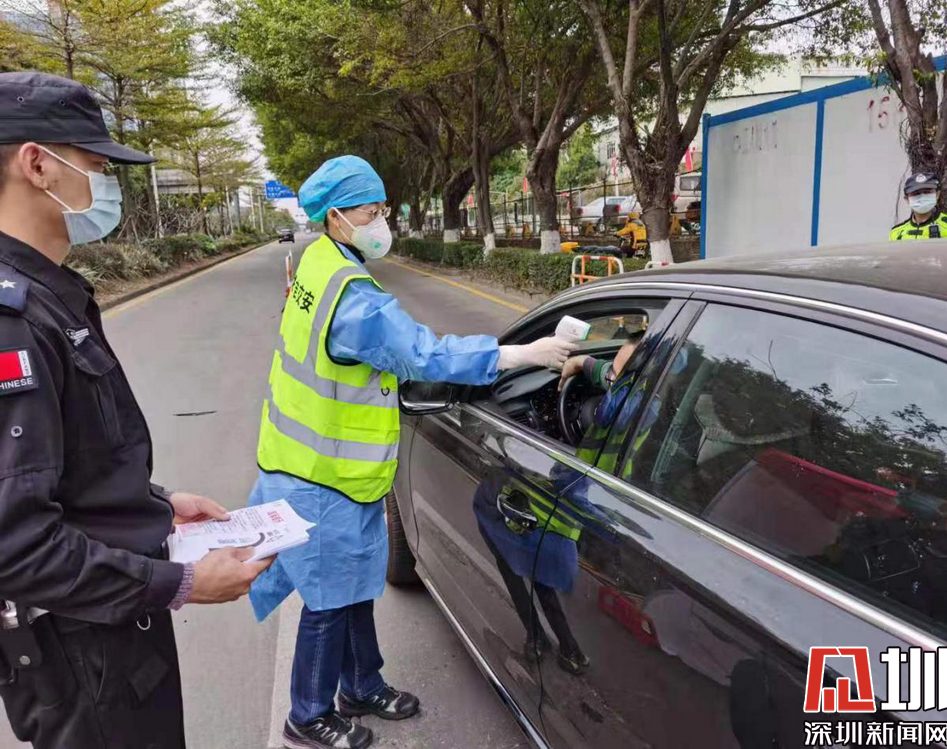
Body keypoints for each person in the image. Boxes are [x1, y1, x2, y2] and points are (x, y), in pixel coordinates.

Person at [247, 155, 572, 749]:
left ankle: (361, 687)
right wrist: (519, 355)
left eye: (382, 210)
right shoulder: (352, 297)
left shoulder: (320, 261)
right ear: (336, 216)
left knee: (354, 587)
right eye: (371, 212)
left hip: (324, 466)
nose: (381, 222)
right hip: (322, 473)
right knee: (329, 600)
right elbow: (423, 355)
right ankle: (307, 715)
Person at [0, 72, 273, 749]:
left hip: (112, 635)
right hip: (80, 652)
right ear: (37, 164)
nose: (106, 185)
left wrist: (158, 503)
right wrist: (180, 581)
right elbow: (16, 543)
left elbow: (70, 463)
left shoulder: (50, 295)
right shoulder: (13, 321)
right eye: (94, 165)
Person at [889, 172, 947, 240]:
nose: (922, 197)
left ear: (937, 194)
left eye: (927, 192)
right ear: (907, 199)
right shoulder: (896, 233)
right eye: (916, 193)